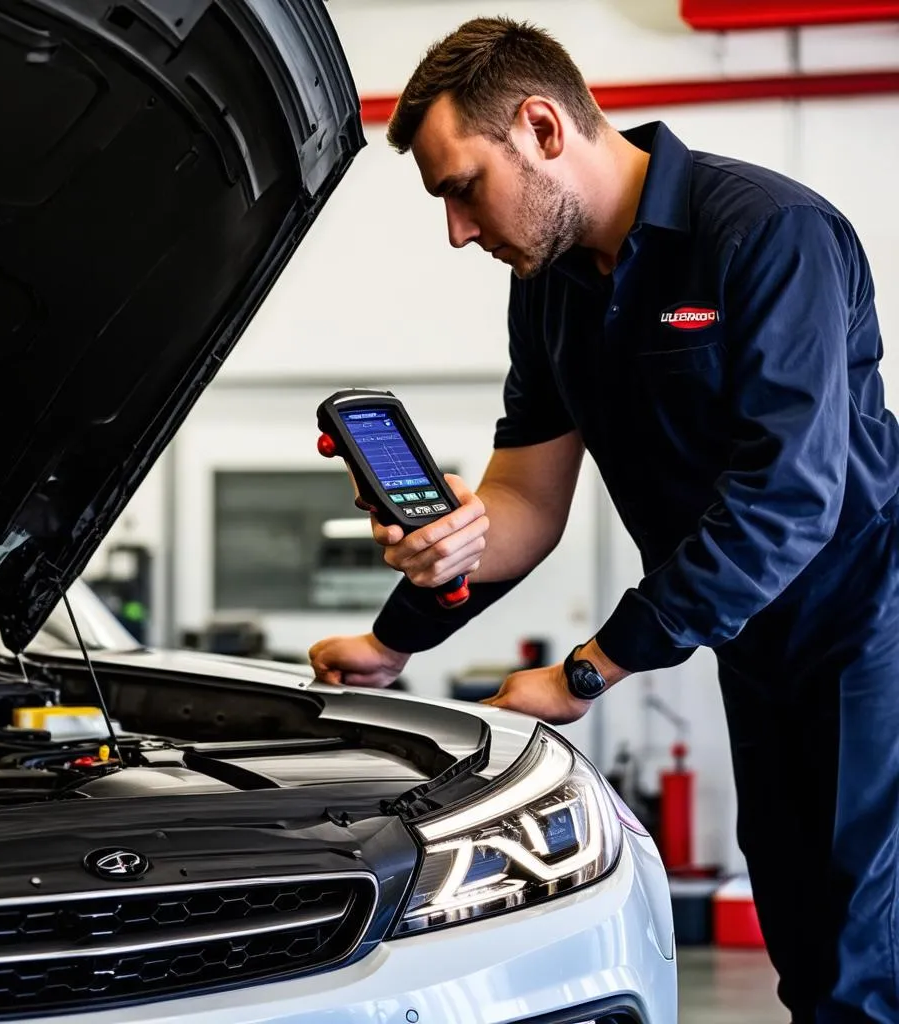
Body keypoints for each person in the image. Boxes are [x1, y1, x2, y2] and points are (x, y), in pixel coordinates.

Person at [308, 16, 899, 1024]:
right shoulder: (548, 294)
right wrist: (394, 629)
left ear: (540, 127)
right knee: (805, 942)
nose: (458, 230)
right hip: (752, 648)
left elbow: (791, 499)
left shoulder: (765, 232)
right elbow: (524, 503)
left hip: (869, 630)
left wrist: (590, 667)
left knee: (860, 963)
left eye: (459, 188)